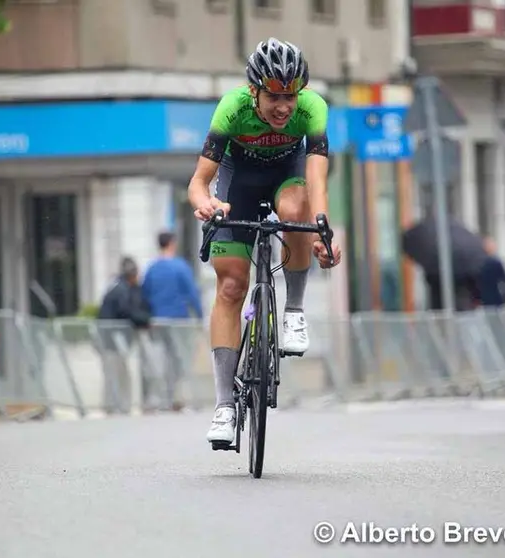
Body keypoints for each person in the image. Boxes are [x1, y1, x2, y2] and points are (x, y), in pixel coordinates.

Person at [186, 37, 342, 444]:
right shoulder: (231, 109)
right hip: (238, 183)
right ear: (254, 90)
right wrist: (207, 204)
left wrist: (322, 229)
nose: (284, 106)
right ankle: (223, 406)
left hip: (287, 178)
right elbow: (199, 183)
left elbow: (317, 181)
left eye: (291, 96)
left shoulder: (313, 109)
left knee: (295, 212)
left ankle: (292, 310)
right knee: (232, 285)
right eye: (274, 95)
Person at [141, 232, 203, 319]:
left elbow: (145, 294)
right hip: (179, 320)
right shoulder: (181, 267)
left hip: (158, 319)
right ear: (172, 244)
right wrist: (200, 315)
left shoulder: (151, 269)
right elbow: (192, 293)